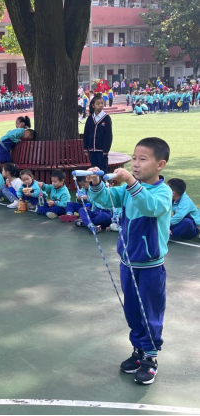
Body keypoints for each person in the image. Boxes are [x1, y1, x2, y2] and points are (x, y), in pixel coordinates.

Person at [88, 137, 172, 385]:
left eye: (142, 159)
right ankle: (139, 350)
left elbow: (150, 207)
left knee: (150, 312)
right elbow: (105, 199)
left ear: (160, 165)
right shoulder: (128, 190)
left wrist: (131, 182)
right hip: (128, 263)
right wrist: (96, 184)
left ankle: (150, 356)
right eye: (134, 158)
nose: (135, 164)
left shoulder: (163, 192)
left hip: (150, 266)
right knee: (133, 310)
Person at [83, 94, 113, 174]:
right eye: (98, 104)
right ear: (93, 105)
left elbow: (108, 135)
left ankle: (104, 181)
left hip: (102, 150)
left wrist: (106, 149)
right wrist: (85, 147)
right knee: (94, 170)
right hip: (92, 150)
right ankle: (96, 182)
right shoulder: (90, 118)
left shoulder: (106, 118)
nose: (100, 105)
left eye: (102, 103)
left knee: (103, 169)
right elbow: (86, 133)